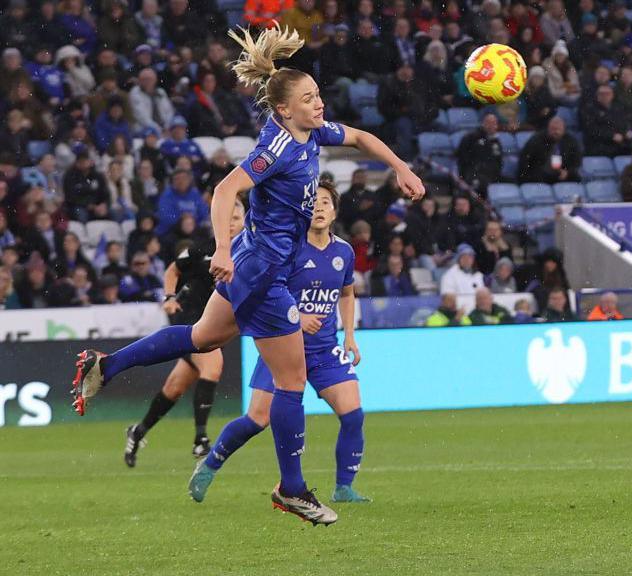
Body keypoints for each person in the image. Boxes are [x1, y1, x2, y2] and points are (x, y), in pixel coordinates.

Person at [72, 26, 424, 526]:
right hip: (263, 273)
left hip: (259, 267)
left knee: (199, 337)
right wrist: (222, 248)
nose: (319, 104)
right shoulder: (277, 146)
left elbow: (362, 137)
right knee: (291, 379)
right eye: (308, 99)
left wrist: (401, 167)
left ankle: (105, 366)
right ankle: (294, 489)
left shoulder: (311, 133)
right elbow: (224, 191)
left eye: (318, 94)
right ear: (284, 110)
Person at [190, 183, 372, 504]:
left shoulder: (343, 251)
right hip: (281, 346)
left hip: (324, 349)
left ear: (334, 211)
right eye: (313, 201)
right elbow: (266, 290)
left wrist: (350, 336)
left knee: (354, 414)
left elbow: (346, 292)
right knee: (257, 420)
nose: (318, 207)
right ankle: (211, 463)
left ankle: (343, 488)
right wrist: (296, 317)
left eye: (325, 202)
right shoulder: (287, 248)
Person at [123, 201, 247, 468]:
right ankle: (200, 439)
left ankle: (138, 431)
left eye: (237, 217)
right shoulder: (203, 249)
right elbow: (173, 270)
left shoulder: (250, 252)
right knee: (213, 366)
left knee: (175, 387)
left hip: (212, 324)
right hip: (190, 320)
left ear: (246, 221)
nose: (232, 222)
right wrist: (169, 297)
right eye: (229, 217)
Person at [518, 116, 582, 184]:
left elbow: (576, 162)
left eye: (558, 129)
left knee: (576, 178)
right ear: (548, 128)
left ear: (563, 129)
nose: (556, 132)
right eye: (553, 129)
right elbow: (525, 161)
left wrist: (567, 172)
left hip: (560, 174)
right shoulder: (536, 140)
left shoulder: (570, 141)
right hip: (540, 175)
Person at [456, 113, 503, 195]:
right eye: (489, 123)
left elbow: (498, 161)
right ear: (483, 123)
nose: (492, 126)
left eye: (494, 123)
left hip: (491, 176)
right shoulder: (471, 138)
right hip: (474, 175)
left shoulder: (496, 142)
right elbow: (462, 157)